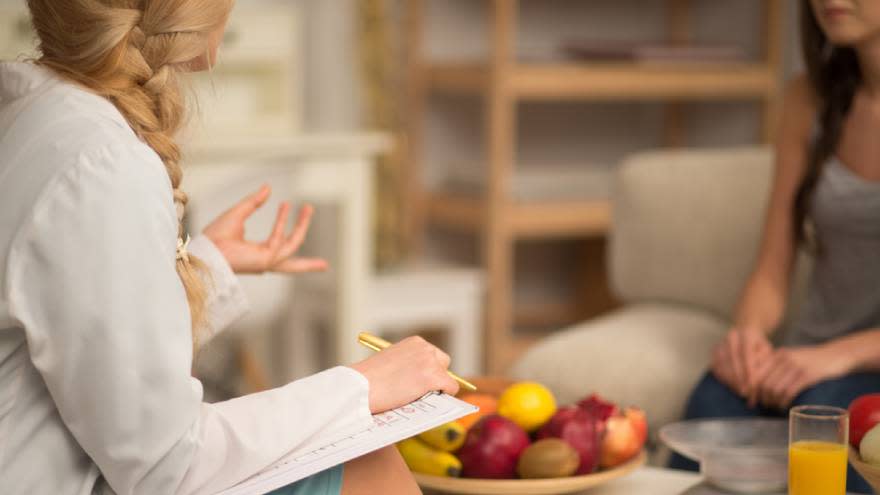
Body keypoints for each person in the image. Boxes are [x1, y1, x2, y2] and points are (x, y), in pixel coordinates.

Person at [0, 1, 457, 494]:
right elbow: (166, 465)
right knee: (371, 470)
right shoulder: (101, 166)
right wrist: (362, 387)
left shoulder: (32, 111)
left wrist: (202, 270)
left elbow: (81, 341)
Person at [670, 1, 880, 492]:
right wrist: (747, 337)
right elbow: (773, 264)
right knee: (715, 397)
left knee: (831, 415)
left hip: (848, 370)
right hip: (807, 362)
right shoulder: (808, 97)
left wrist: (842, 354)